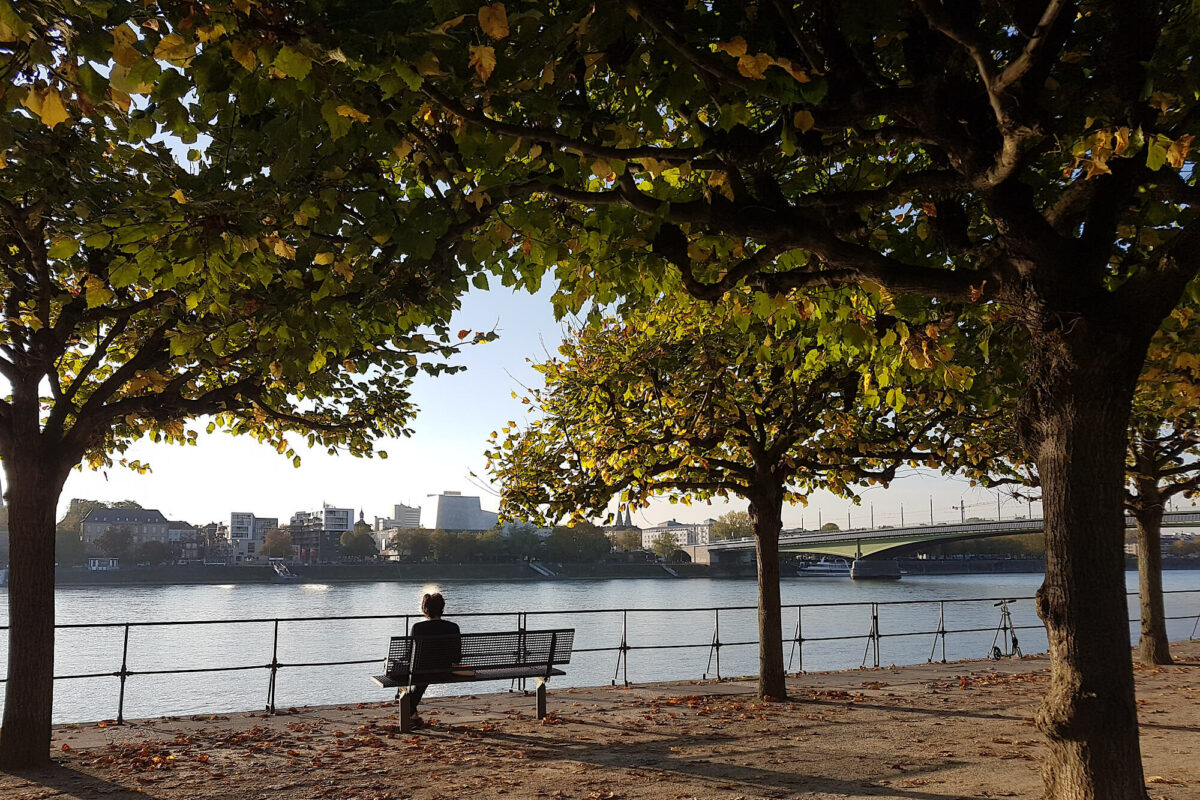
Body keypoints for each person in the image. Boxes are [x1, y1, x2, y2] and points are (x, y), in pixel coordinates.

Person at [408, 592, 460, 725]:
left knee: (420, 678)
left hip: (422, 672)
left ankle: (412, 715)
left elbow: (408, 655)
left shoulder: (418, 628)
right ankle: (412, 715)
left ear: (425, 609)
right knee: (424, 676)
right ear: (442, 608)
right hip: (445, 671)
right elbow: (457, 657)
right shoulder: (453, 627)